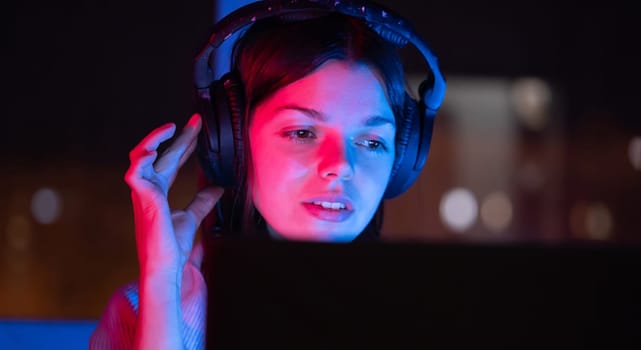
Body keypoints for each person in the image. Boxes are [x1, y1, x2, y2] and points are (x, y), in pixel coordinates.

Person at [89, 1, 444, 349]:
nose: (341, 166)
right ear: (236, 145)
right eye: (303, 132)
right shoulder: (144, 312)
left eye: (371, 141)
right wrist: (163, 287)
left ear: (403, 156)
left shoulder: (432, 322)